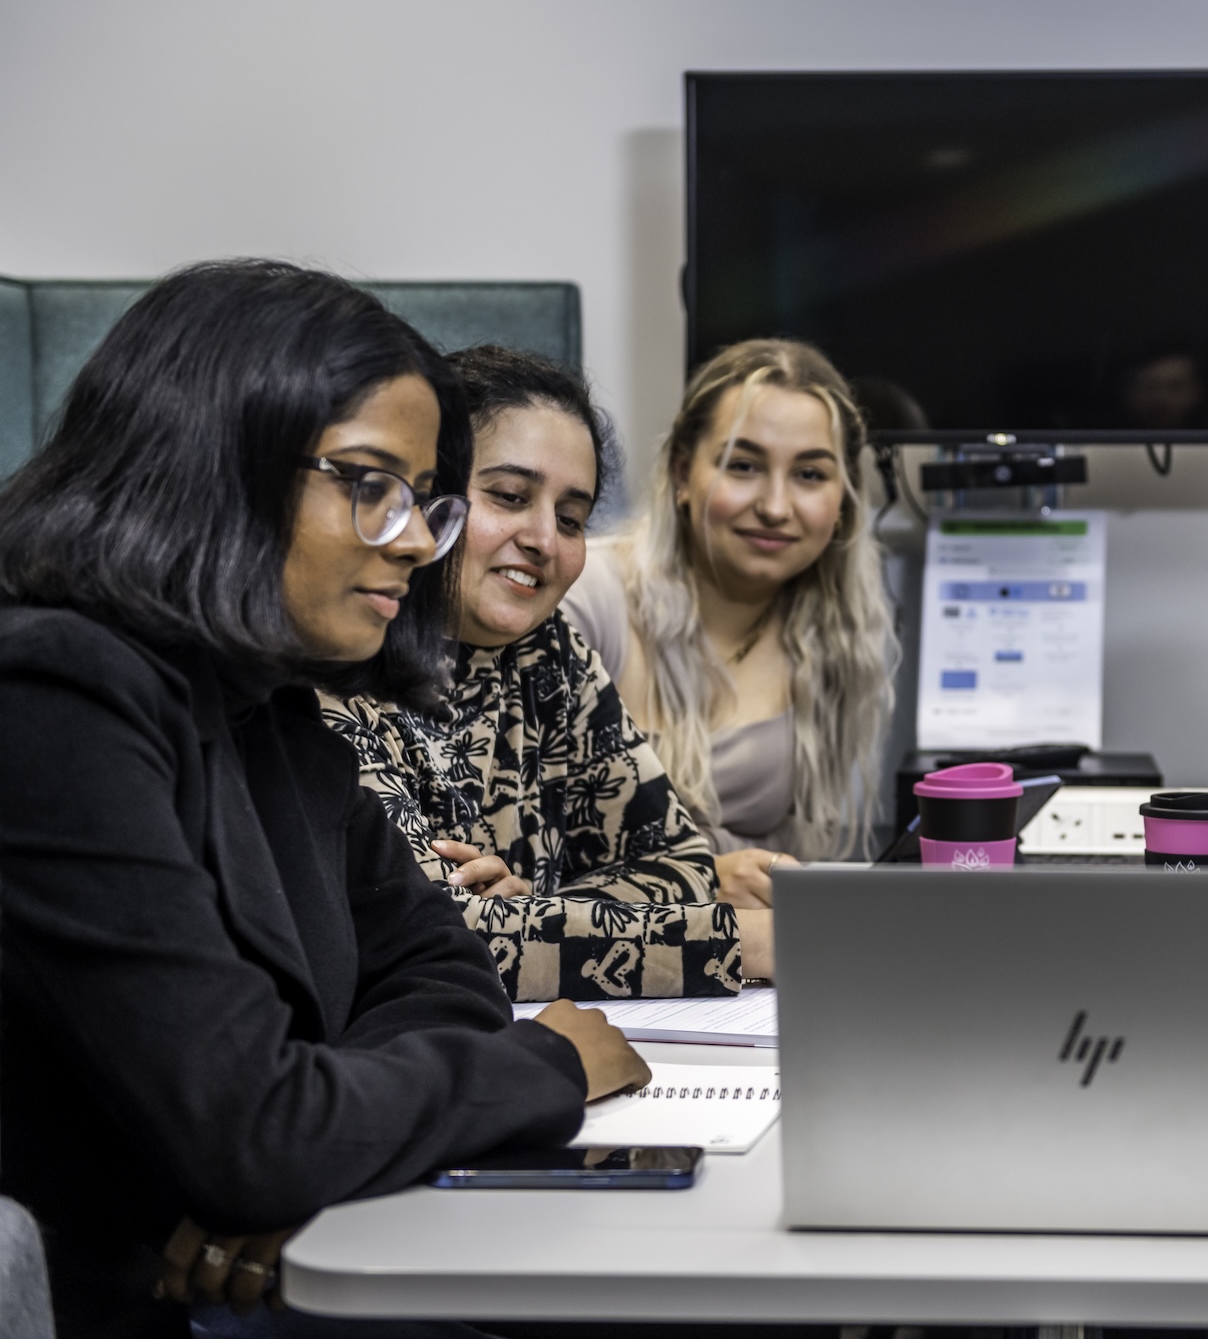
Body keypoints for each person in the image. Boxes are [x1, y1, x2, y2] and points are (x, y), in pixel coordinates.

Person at [0, 261, 649, 1339]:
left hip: (244, 1253)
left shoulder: (271, 704)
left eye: (425, 500)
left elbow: (440, 973)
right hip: (114, 1297)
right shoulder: (56, 695)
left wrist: (301, 1157)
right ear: (215, 459)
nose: (410, 540)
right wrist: (547, 1064)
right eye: (368, 483)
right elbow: (258, 1132)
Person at [322, 346, 765, 1001]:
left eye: (571, 519)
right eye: (508, 496)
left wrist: (534, 909)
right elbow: (427, 936)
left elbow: (682, 865)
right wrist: (748, 942)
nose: (544, 540)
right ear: (424, 496)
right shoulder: (336, 659)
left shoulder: (550, 653)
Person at [564, 339, 895, 896]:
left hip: (742, 963)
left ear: (844, 501)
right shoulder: (587, 596)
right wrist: (697, 882)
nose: (774, 505)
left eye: (810, 475)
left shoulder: (840, 636)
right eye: (743, 465)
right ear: (681, 471)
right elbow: (513, 855)